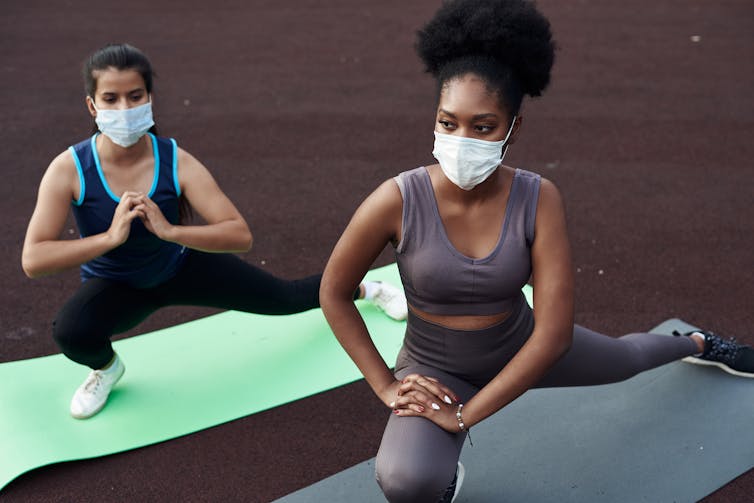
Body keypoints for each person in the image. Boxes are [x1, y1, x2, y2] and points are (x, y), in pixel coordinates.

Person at [318, 1, 754, 501]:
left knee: (627, 357)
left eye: (482, 127)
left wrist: (464, 415)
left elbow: (553, 336)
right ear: (434, 121)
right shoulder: (396, 198)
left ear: (512, 128)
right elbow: (333, 291)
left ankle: (696, 343)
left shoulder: (538, 197)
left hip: (525, 346)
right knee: (406, 482)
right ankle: (440, 476)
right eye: (448, 122)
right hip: (434, 369)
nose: (461, 139)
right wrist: (386, 385)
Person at [21, 43, 407, 420]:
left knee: (284, 298)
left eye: (134, 96)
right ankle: (106, 369)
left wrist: (170, 231)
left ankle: (367, 289)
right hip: (117, 285)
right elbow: (34, 260)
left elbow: (240, 234)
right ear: (93, 106)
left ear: (149, 99)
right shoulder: (69, 168)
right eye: (111, 99)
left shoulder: (175, 160)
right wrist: (109, 239)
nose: (124, 109)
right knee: (71, 331)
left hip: (181, 269)